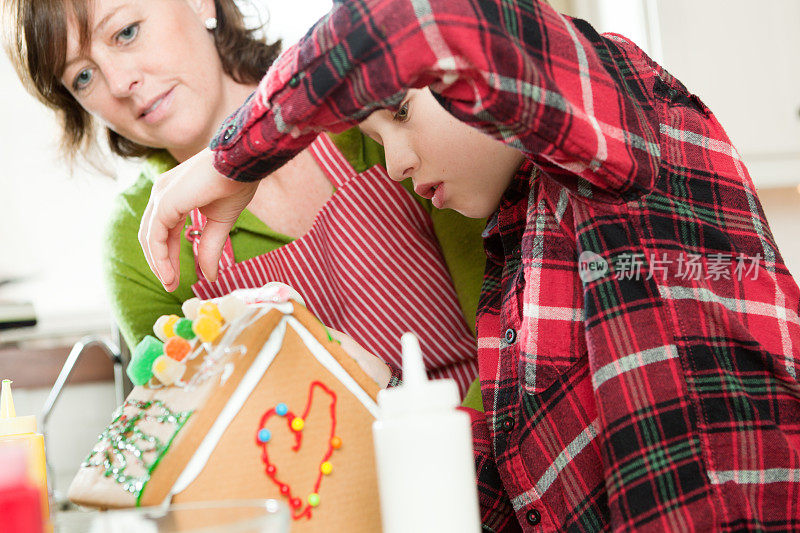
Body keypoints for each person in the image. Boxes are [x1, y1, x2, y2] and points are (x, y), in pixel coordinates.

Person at [137, 0, 800, 530]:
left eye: (399, 112)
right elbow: (515, 490)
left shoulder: (620, 112)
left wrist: (235, 156)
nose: (396, 162)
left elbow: (407, 24)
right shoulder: (517, 244)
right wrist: (364, 390)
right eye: (376, 138)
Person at [4, 0, 489, 402]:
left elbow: (510, 347)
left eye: (127, 32)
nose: (117, 83)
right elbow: (207, 439)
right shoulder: (140, 242)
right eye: (83, 77)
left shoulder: (377, 118)